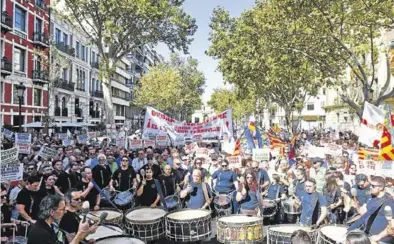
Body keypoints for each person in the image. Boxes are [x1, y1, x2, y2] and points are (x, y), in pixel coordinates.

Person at [27, 194, 97, 244]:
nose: (65, 211)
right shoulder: (40, 233)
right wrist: (80, 233)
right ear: (52, 212)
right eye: (63, 209)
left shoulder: (48, 225)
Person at [352, 176, 394, 244]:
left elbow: (392, 224)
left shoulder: (389, 201)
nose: (370, 187)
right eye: (370, 185)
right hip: (368, 234)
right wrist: (357, 207)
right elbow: (364, 213)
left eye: (373, 186)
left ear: (380, 187)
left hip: (382, 240)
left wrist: (378, 236)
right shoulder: (370, 196)